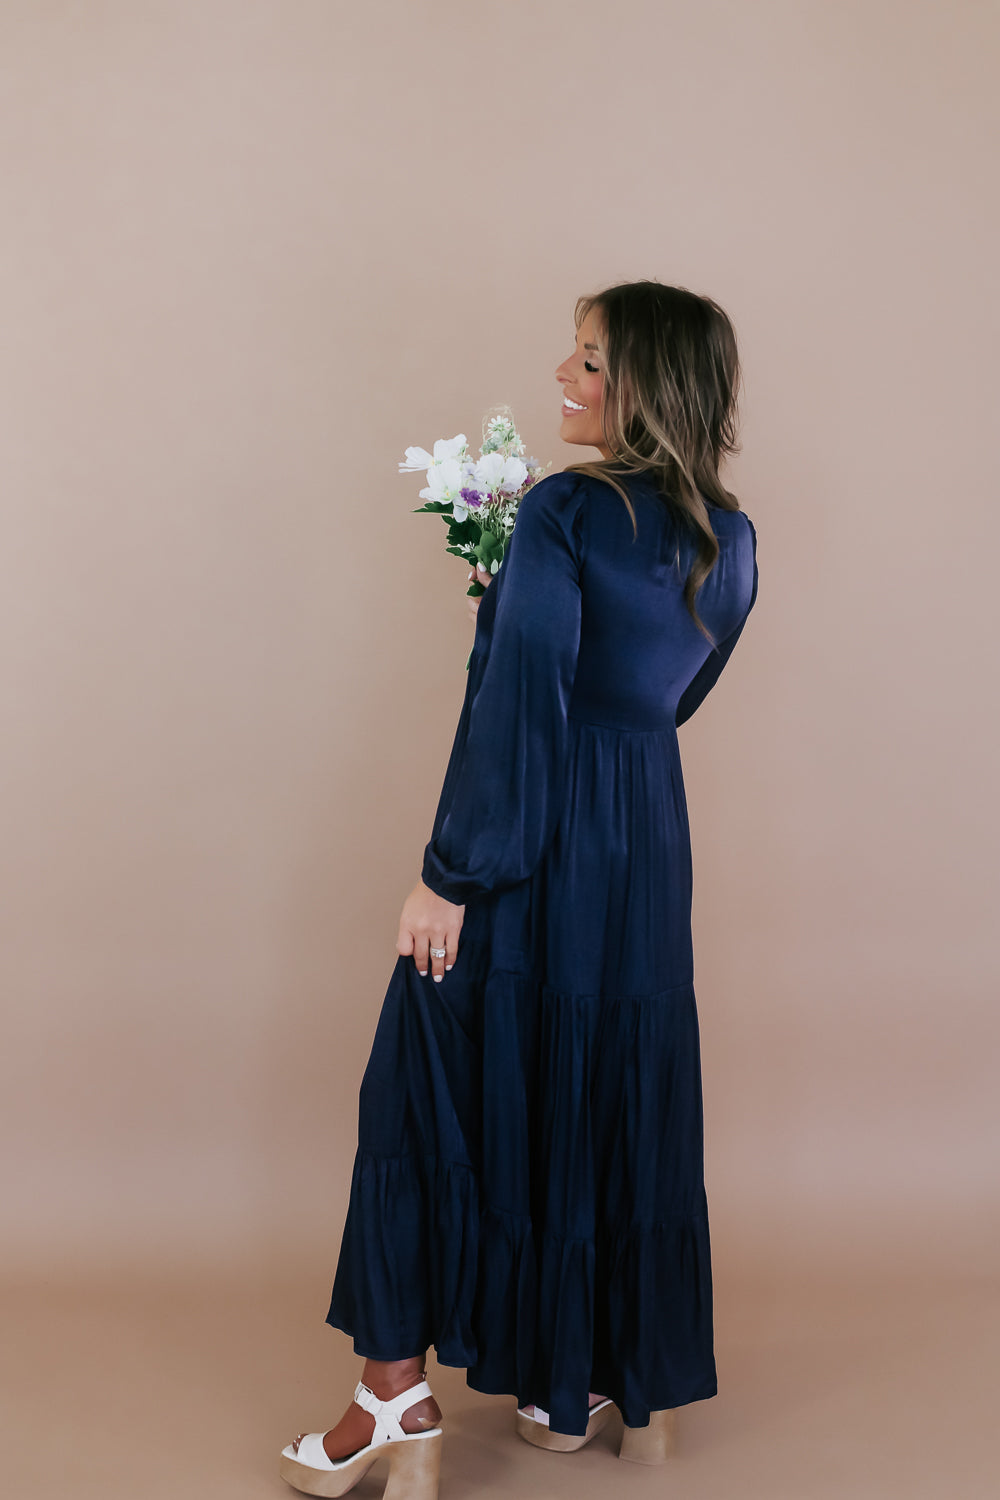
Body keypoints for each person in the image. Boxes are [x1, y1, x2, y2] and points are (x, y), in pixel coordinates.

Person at [280, 279, 760, 1500]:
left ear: (643, 384)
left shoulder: (561, 511)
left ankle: (390, 1396)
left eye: (589, 358)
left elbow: (520, 704)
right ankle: (594, 1383)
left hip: (533, 840)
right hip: (642, 843)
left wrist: (451, 875)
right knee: (601, 1085)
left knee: (421, 1086)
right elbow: (674, 698)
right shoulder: (731, 536)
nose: (563, 372)